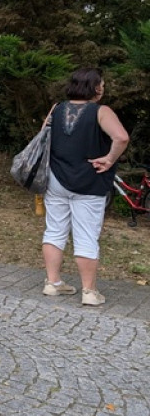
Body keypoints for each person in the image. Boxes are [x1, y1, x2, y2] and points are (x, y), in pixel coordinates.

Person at [41, 68, 128, 306]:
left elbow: (43, 137)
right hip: (89, 180)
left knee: (54, 230)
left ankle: (53, 283)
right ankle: (89, 292)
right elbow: (121, 137)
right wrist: (109, 159)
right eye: (102, 84)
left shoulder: (56, 109)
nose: (104, 88)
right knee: (87, 235)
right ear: (95, 87)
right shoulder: (101, 112)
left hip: (56, 179)